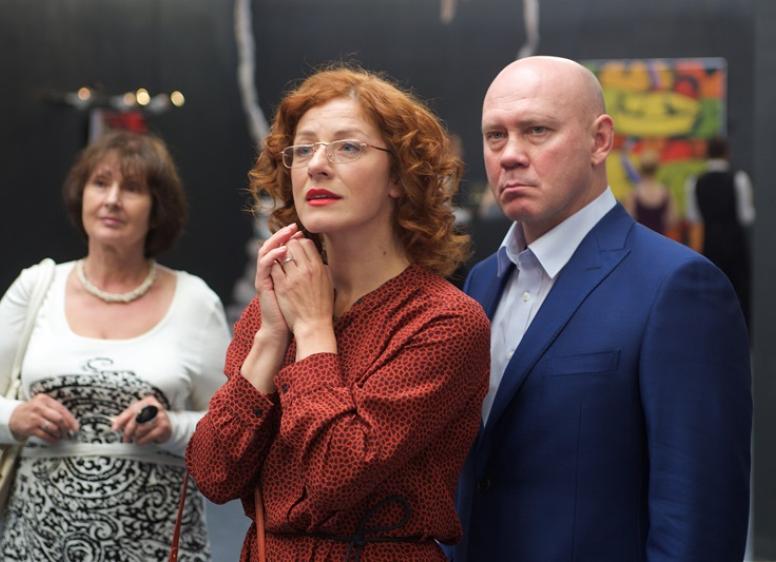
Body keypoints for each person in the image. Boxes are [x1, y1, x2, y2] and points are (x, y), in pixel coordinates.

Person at [453, 56, 752, 562]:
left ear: (600, 140)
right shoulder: (482, 281)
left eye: (537, 130)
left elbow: (699, 519)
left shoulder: (677, 287)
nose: (511, 155)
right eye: (495, 136)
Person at [186, 66, 490, 562]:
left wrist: (312, 330)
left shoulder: (443, 320)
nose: (317, 166)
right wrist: (271, 336)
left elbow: (337, 473)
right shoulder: (274, 310)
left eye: (347, 147)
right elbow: (214, 474)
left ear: (399, 177)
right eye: (303, 149)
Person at [0, 130, 230, 561]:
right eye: (101, 183)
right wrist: (16, 417)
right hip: (36, 543)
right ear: (81, 195)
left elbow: (231, 432)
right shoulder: (35, 287)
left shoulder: (195, 301)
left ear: (157, 209)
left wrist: (171, 428)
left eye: (132, 188)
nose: (112, 200)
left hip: (158, 544)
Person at [685, 136, 754, 330]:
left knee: (711, 298)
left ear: (707, 154)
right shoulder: (739, 179)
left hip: (710, 246)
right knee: (740, 297)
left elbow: (694, 218)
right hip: (735, 246)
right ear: (727, 153)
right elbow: (746, 216)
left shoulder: (694, 182)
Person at [623, 149, 677, 236]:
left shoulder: (634, 193)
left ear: (640, 169)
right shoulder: (665, 192)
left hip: (640, 239)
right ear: (657, 169)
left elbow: (629, 220)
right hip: (659, 238)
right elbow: (671, 221)